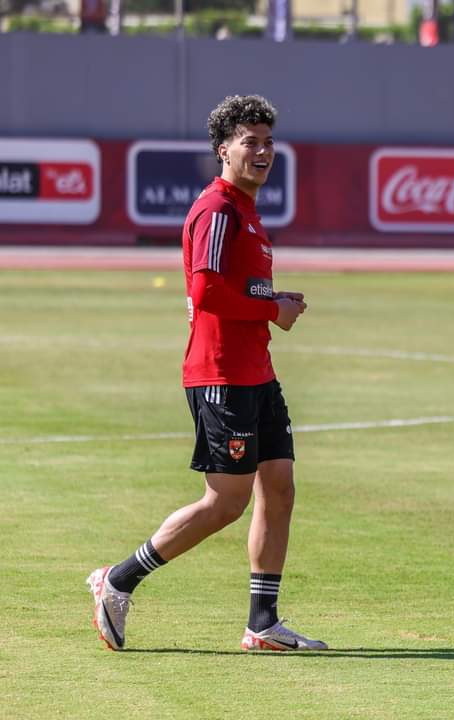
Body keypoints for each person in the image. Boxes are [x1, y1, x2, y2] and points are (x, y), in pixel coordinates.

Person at [87, 95, 325, 652]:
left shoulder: (245, 210)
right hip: (221, 376)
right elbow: (207, 291)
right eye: (250, 141)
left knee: (279, 488)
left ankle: (262, 624)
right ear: (224, 149)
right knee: (225, 502)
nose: (262, 151)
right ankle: (118, 580)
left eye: (268, 141)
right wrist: (272, 309)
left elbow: (237, 288)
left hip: (256, 373)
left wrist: (273, 298)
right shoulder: (218, 209)